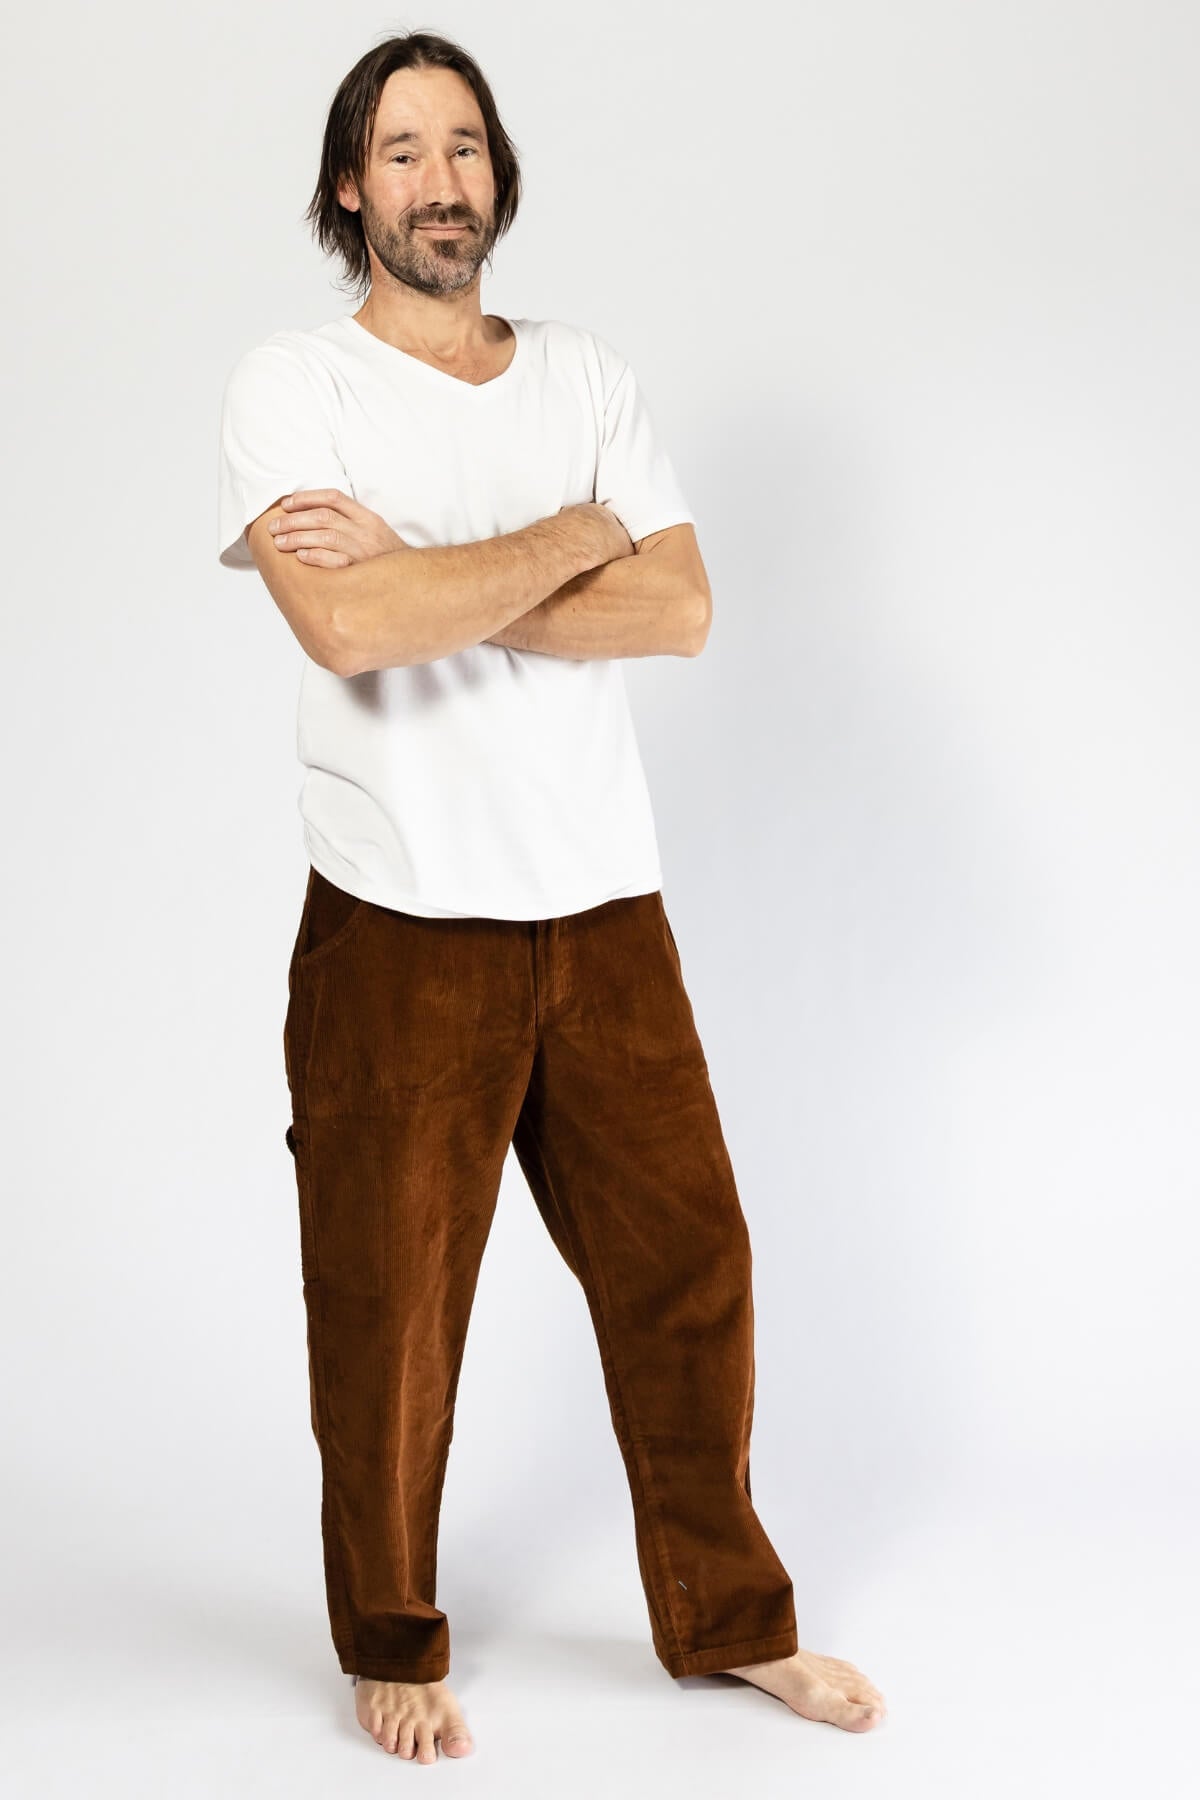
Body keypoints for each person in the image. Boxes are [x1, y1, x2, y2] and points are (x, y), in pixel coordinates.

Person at [216, 28, 886, 1766]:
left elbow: (683, 611)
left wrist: (447, 573)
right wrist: (579, 536)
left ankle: (733, 1625)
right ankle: (390, 1638)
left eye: (465, 147)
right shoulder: (295, 386)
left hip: (603, 912)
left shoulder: (584, 374)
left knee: (690, 1269)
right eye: (402, 151)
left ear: (496, 174)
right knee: (390, 1305)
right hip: (395, 917)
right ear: (349, 189)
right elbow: (347, 626)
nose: (440, 182)